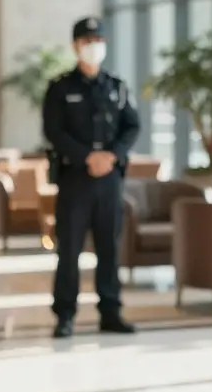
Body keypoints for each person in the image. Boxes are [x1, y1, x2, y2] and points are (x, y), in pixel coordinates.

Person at [42, 17, 141, 339]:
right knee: (69, 249)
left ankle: (110, 311)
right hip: (75, 178)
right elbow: (54, 131)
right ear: (75, 46)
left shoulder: (117, 86)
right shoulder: (60, 88)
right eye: (87, 41)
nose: (93, 46)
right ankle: (65, 315)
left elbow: (132, 126)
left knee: (109, 248)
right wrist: (88, 156)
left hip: (109, 179)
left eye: (98, 40)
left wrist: (111, 156)